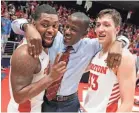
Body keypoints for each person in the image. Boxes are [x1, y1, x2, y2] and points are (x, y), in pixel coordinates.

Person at [11, 10, 129, 112]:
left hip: (70, 103)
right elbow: (15, 24)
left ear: (84, 34)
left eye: (74, 29)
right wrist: (28, 27)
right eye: (66, 26)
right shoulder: (54, 38)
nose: (67, 32)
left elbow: (114, 38)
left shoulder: (91, 45)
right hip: (46, 99)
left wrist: (120, 42)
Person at [7, 4, 67, 113]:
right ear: (33, 25)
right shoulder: (26, 53)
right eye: (45, 25)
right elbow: (19, 97)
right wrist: (51, 77)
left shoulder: (47, 42)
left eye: (55, 26)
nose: (51, 30)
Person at [83, 9, 136, 112]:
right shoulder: (98, 52)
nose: (100, 29)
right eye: (98, 25)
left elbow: (127, 103)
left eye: (106, 25)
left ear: (117, 29)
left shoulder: (123, 57)